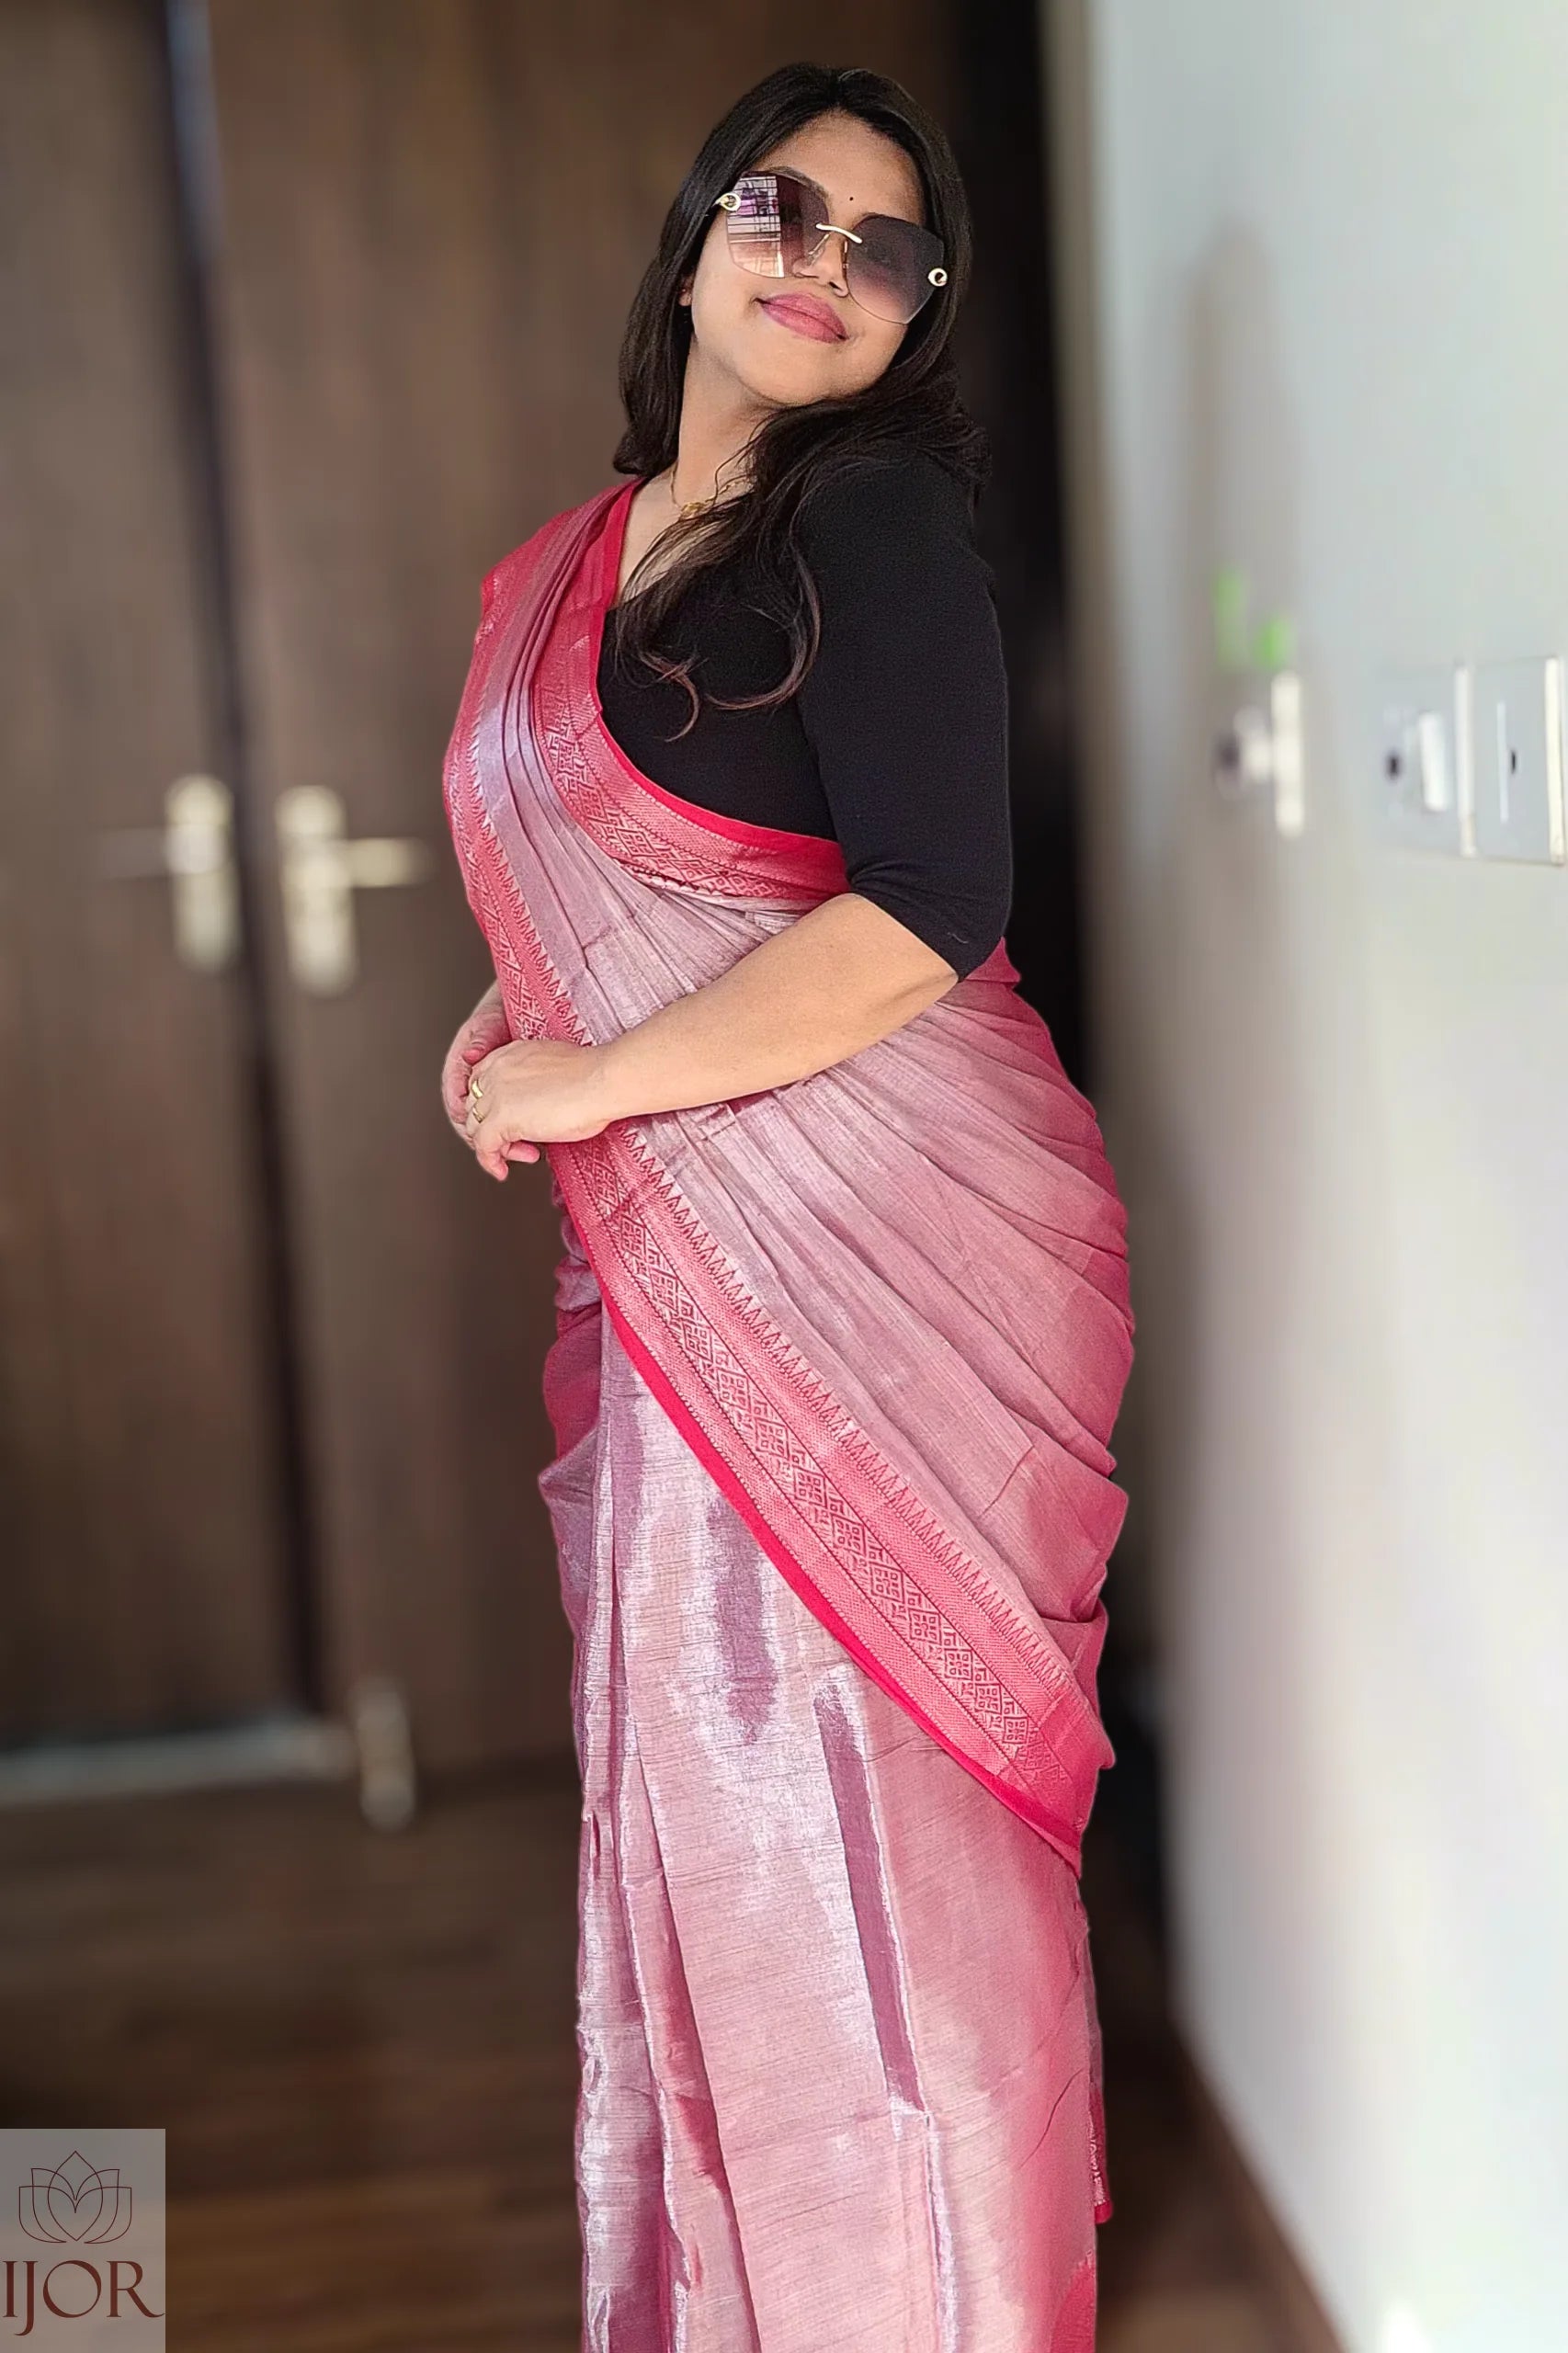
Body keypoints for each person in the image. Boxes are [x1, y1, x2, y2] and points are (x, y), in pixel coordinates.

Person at [437, 59, 1131, 2353]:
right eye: (783, 208)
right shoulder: (574, 553)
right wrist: (501, 1025)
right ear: (700, 236)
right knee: (712, 1817)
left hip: (897, 1263)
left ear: (921, 314)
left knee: (872, 1865)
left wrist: (601, 1069)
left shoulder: (881, 530)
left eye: (885, 247)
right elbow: (604, 880)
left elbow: (925, 910)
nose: (825, 264)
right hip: (686, 1253)